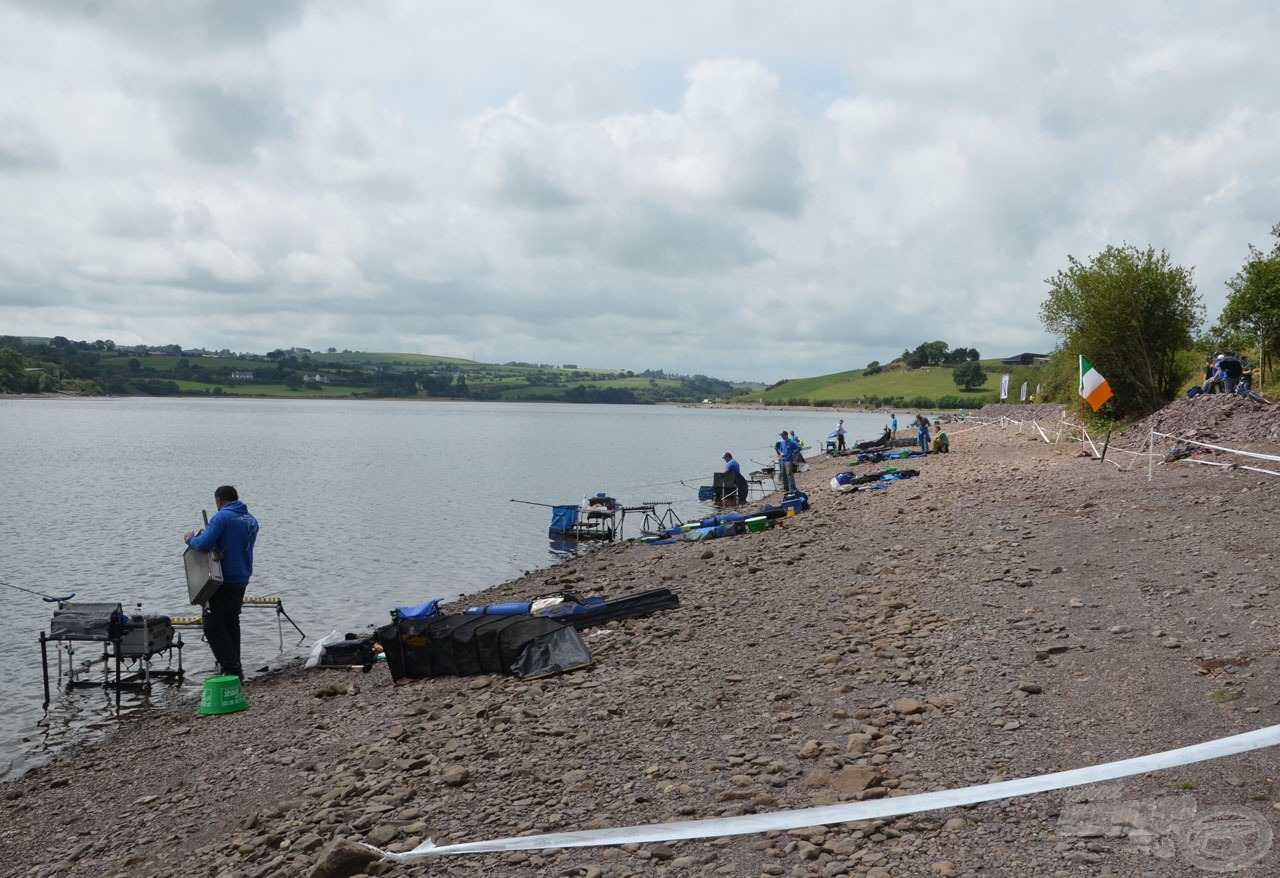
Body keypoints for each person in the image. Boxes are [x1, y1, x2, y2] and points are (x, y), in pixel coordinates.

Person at [184, 486, 259, 680]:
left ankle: (231, 668)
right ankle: (235, 665)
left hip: (221, 580)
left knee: (212, 625)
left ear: (219, 501)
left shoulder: (222, 517)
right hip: (242, 577)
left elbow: (203, 544)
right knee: (231, 621)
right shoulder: (251, 520)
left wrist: (190, 539)